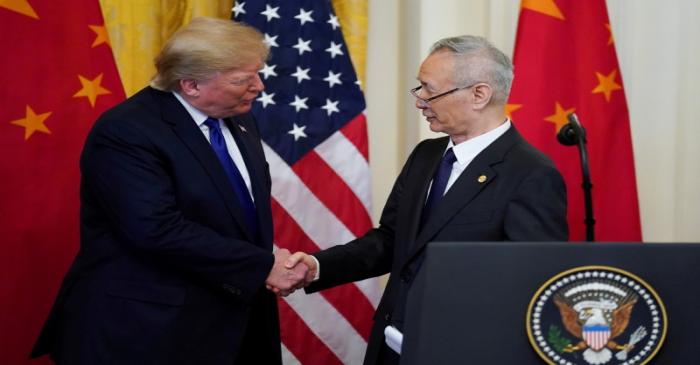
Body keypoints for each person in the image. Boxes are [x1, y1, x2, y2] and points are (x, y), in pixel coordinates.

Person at [30, 17, 307, 365]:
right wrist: (262, 264)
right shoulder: (126, 131)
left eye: (257, 74)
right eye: (243, 80)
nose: (260, 87)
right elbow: (155, 229)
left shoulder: (239, 117)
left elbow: (235, 210)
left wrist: (270, 255)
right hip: (150, 331)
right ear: (190, 85)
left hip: (235, 320)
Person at [283, 35, 569, 365]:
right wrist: (318, 266)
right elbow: (391, 240)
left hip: (463, 351)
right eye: (418, 89)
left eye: (429, 90)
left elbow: (530, 282)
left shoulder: (531, 173)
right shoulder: (426, 155)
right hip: (391, 345)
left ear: (479, 94)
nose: (419, 101)